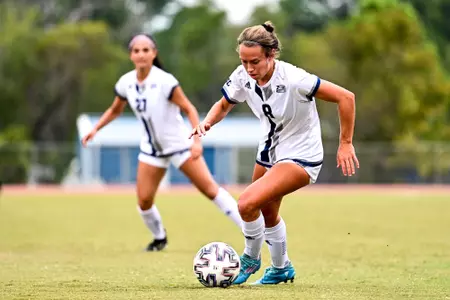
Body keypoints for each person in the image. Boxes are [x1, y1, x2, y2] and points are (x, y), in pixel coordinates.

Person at [190, 21, 359, 285]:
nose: (249, 68)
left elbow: (346, 97)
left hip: (301, 155)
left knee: (246, 203)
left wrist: (346, 142)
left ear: (271, 55)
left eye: (254, 61)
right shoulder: (242, 75)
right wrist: (208, 122)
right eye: (244, 61)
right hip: (269, 151)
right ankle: (281, 268)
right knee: (267, 212)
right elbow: (224, 104)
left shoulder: (294, 79)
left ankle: (250, 259)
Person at [81, 34, 242, 252]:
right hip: (151, 150)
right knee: (144, 201)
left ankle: (251, 231)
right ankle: (159, 238)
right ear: (131, 55)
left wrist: (196, 140)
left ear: (154, 53)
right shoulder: (126, 82)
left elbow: (189, 108)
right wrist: (94, 130)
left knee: (210, 190)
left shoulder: (165, 81)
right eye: (136, 50)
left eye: (146, 50)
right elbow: (114, 110)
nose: (141, 54)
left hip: (180, 146)